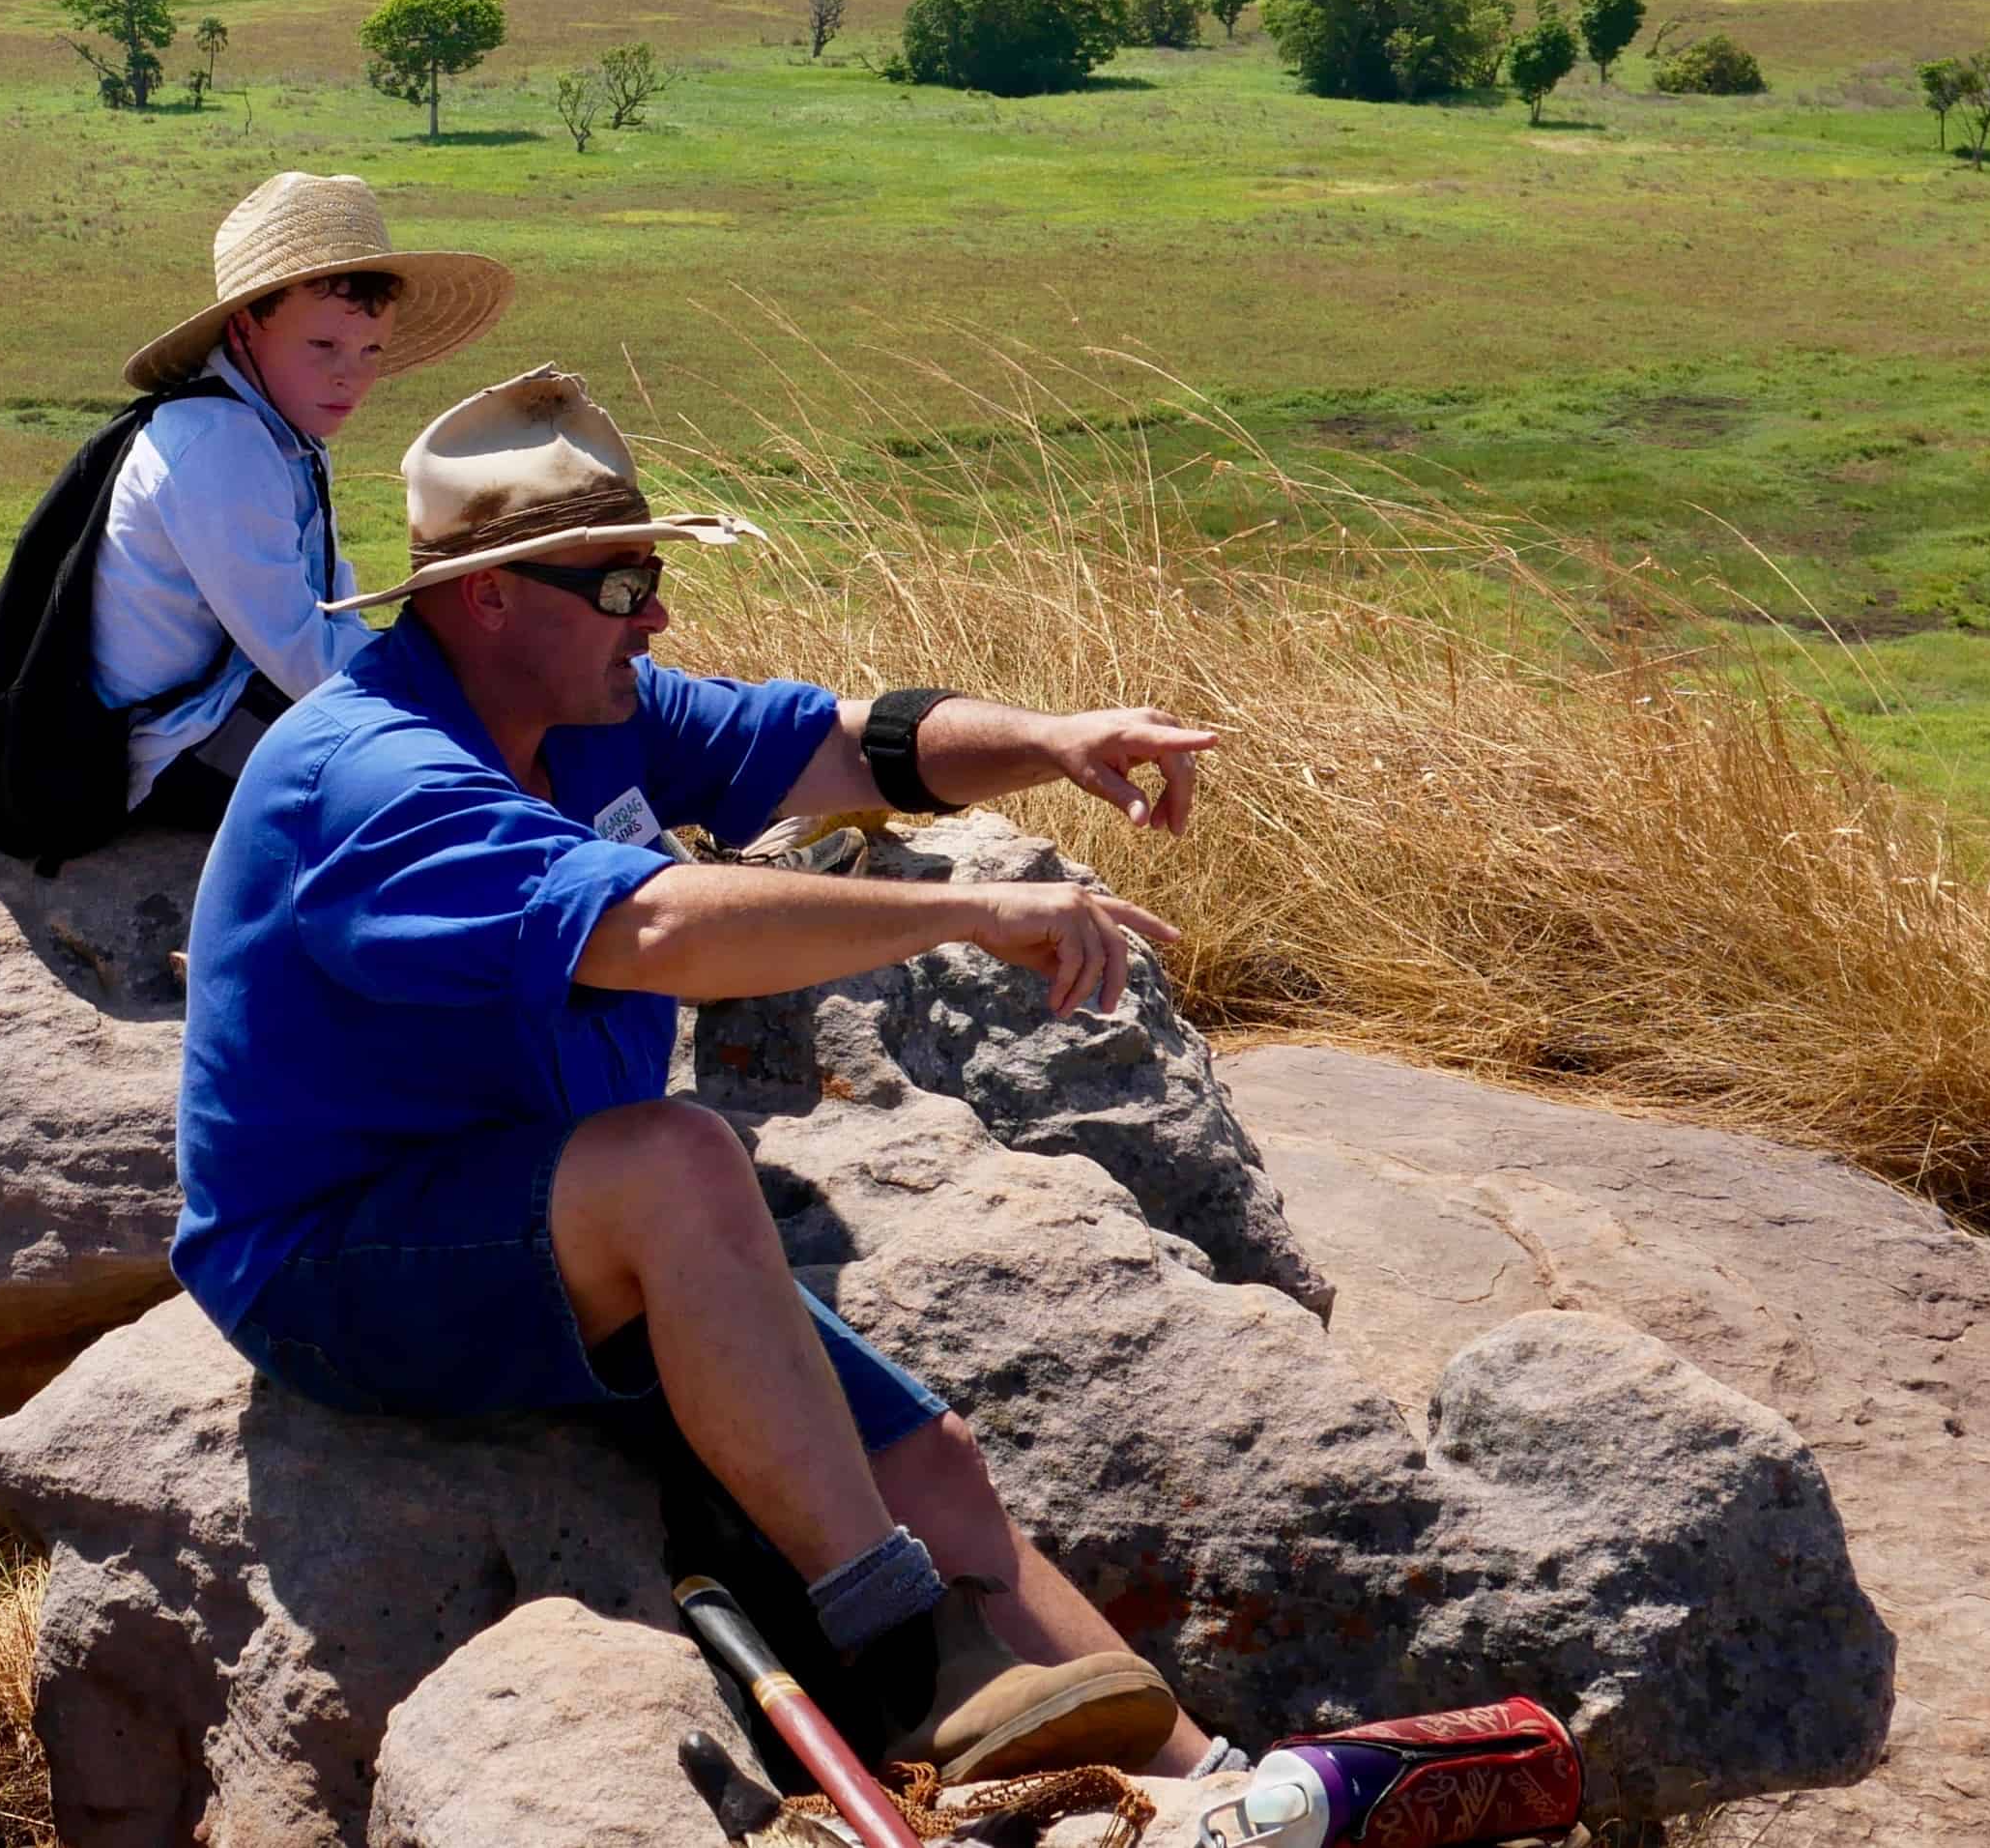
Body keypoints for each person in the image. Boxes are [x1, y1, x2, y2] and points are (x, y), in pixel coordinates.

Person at [172, 365, 1227, 1781]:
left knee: (936, 1469)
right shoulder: (374, 778)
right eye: (618, 586)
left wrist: (1052, 741)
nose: (654, 613)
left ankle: (1208, 1788)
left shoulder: (589, 713)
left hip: (549, 1221)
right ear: (486, 597)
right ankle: (898, 1654)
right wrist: (969, 912)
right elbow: (653, 928)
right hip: (330, 1267)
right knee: (675, 1162)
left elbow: (849, 746)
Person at [92, 173, 510, 830]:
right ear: (243, 330)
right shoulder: (219, 443)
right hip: (176, 748)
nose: (353, 374)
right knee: (446, 784)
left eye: (372, 349)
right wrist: (460, 693)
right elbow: (301, 657)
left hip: (230, 701)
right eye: (323, 346)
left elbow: (329, 604)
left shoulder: (279, 428)